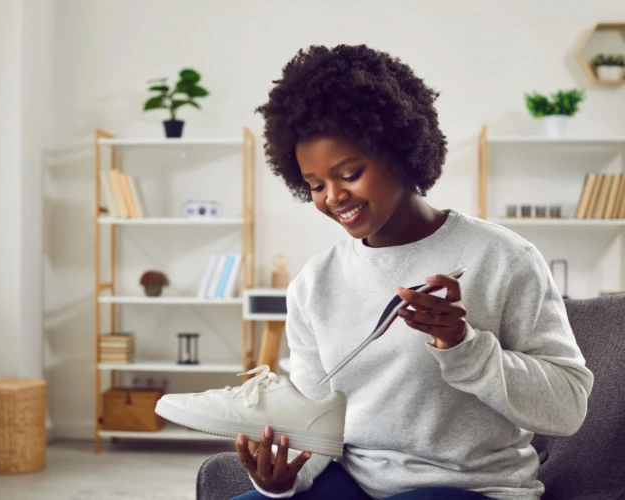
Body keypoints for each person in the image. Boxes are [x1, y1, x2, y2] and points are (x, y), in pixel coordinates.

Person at [231, 44, 593, 500]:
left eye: (350, 172)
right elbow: (314, 418)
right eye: (316, 185)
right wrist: (283, 477)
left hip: (470, 488)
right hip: (355, 484)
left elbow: (568, 407)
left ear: (401, 151)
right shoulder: (314, 283)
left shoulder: (502, 257)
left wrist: (465, 347)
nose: (333, 197)